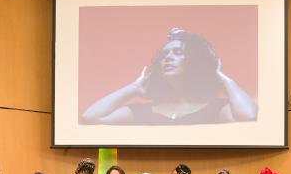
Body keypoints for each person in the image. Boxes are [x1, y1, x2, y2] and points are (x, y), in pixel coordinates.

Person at [81, 28, 257, 125]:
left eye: (178, 52)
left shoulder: (216, 109)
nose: (168, 58)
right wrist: (134, 88)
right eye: (164, 55)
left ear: (196, 62)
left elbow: (248, 116)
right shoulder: (143, 112)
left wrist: (223, 79)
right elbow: (90, 117)